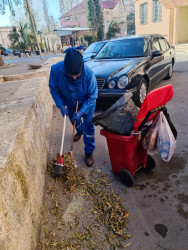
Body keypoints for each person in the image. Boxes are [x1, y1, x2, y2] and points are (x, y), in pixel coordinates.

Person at [49, 49, 98, 167]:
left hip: (87, 103)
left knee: (88, 125)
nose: (75, 78)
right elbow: (54, 90)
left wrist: (82, 111)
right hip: (70, 102)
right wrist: (60, 105)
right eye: (72, 75)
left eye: (77, 75)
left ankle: (89, 152)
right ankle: (80, 131)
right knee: (74, 120)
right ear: (65, 69)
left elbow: (92, 97)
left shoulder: (89, 74)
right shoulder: (56, 71)